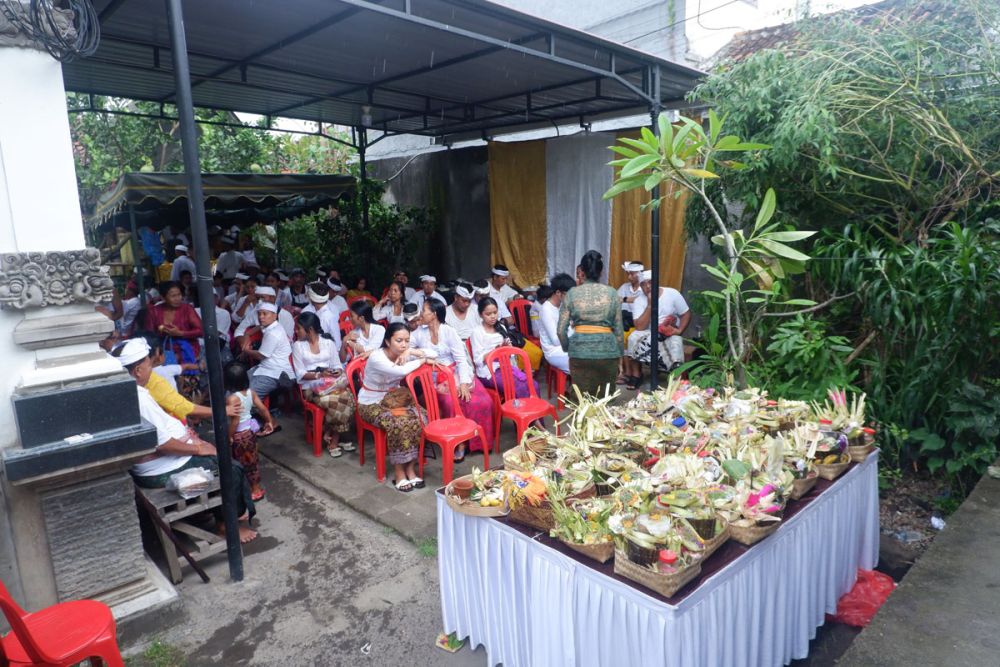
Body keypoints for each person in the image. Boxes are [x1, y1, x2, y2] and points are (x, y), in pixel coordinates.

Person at [114, 338, 257, 543]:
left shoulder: (125, 392)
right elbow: (164, 445)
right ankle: (227, 524)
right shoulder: (139, 398)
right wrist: (198, 449)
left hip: (160, 460)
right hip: (160, 468)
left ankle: (217, 509)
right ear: (137, 370)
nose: (151, 367)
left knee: (217, 453)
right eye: (148, 363)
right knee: (231, 467)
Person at [412, 299, 495, 459]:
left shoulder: (449, 332)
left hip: (457, 372)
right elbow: (407, 350)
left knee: (483, 401)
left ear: (434, 314)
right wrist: (421, 355)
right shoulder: (418, 333)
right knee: (451, 403)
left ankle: (478, 442)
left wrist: (463, 383)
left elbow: (461, 359)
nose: (421, 314)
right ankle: (459, 443)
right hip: (436, 378)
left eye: (424, 310)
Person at [357, 323, 433, 492]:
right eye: (399, 340)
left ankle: (411, 468)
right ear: (387, 341)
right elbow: (400, 372)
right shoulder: (377, 357)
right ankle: (399, 472)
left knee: (423, 416)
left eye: (407, 341)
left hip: (396, 399)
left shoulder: (404, 353)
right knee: (397, 422)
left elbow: (435, 353)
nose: (403, 344)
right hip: (372, 402)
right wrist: (422, 360)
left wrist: (411, 352)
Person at [557, 250, 624, 397]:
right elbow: (619, 330)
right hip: (607, 352)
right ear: (601, 272)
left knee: (583, 400)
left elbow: (561, 330)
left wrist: (569, 348)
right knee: (605, 401)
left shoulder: (572, 294)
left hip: (579, 353)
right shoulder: (612, 293)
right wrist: (620, 357)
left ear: (582, 271)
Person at [291, 312, 357, 458]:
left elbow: (337, 365)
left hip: (330, 384)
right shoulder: (298, 346)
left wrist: (334, 372)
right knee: (334, 401)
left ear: (310, 329)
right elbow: (300, 373)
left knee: (349, 397)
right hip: (310, 387)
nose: (297, 331)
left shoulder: (328, 343)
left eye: (299, 328)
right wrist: (319, 375)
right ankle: (335, 439)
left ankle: (329, 432)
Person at [623, 270, 691, 387]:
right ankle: (636, 374)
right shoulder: (639, 300)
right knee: (633, 337)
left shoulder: (672, 293)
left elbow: (686, 314)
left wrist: (679, 330)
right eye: (643, 284)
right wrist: (650, 305)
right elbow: (639, 326)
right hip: (647, 332)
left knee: (676, 341)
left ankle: (678, 378)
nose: (648, 286)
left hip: (668, 332)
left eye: (650, 282)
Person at [224, 361, 275, 502]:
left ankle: (254, 490)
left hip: (240, 435)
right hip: (250, 432)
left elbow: (235, 421)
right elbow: (262, 408)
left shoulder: (231, 398)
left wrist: (229, 436)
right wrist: (269, 421)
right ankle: (255, 487)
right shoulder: (250, 393)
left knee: (243, 463)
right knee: (252, 461)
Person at [143, 280, 204, 397]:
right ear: (163, 297)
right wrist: (161, 332)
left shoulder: (187, 309)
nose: (177, 298)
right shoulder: (154, 311)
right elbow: (149, 335)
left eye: (179, 295)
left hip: (187, 354)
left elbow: (201, 331)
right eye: (173, 296)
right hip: (163, 355)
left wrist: (180, 333)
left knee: (189, 389)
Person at [471, 297, 538, 398]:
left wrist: (507, 348)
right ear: (481, 315)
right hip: (488, 372)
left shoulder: (501, 327)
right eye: (488, 314)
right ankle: (522, 412)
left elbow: (510, 354)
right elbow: (478, 360)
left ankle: (536, 413)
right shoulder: (477, 332)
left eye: (495, 312)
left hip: (505, 366)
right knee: (518, 387)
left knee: (533, 384)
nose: (493, 316)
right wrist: (497, 351)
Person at [242, 303, 294, 400]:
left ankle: (255, 412)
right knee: (241, 381)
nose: (261, 317)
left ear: (275, 316)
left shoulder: (273, 333)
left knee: (249, 396)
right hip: (267, 368)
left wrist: (246, 351)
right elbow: (250, 332)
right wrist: (247, 338)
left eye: (265, 314)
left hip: (277, 372)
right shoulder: (271, 325)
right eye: (259, 314)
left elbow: (260, 356)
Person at [539, 274, 574, 374]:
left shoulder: (563, 305)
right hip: (554, 351)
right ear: (558, 292)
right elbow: (555, 340)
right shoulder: (546, 309)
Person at [300, 282, 343, 350]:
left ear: (311, 298)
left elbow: (319, 341)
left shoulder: (323, 317)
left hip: (330, 352)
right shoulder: (330, 310)